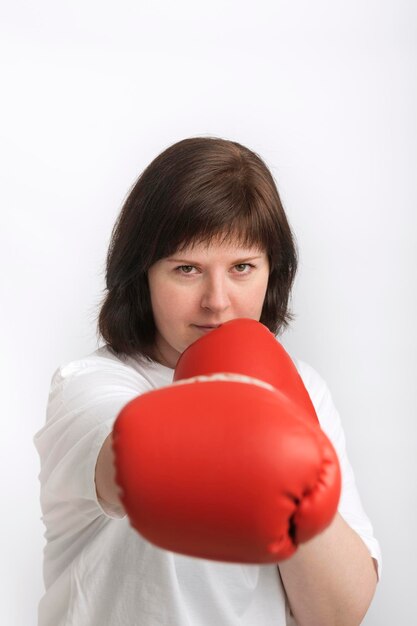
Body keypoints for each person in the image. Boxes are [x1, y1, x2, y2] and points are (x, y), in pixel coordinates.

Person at [34, 136, 382, 626]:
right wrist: (272, 446)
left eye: (241, 267)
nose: (217, 301)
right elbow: (133, 467)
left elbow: (337, 614)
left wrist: (301, 499)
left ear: (271, 272)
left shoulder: (305, 387)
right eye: (187, 269)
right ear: (142, 277)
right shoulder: (89, 386)